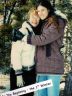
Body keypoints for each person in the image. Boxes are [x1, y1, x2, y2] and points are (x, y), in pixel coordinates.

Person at [20, 0, 67, 96]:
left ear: (48, 9)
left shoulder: (57, 22)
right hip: (41, 68)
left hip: (53, 68)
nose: (40, 13)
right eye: (38, 11)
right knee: (41, 94)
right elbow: (33, 26)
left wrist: (25, 38)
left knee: (51, 94)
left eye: (43, 10)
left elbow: (43, 39)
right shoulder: (44, 23)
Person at [10, 7, 40, 96]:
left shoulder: (35, 33)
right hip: (19, 72)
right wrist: (18, 75)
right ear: (28, 17)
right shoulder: (22, 32)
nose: (35, 20)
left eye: (37, 17)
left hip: (30, 72)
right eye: (33, 17)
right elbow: (15, 54)